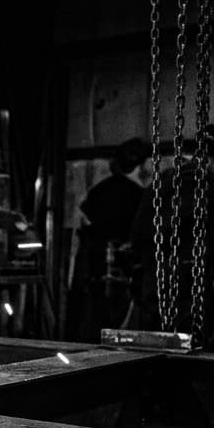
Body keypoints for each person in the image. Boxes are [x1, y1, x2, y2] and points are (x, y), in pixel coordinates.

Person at [127, 123, 214, 338]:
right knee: (187, 351)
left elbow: (137, 234)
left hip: (153, 286)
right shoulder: (210, 181)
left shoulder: (161, 181)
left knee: (153, 349)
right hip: (186, 289)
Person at [71, 137, 151, 339]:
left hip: (95, 275)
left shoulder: (99, 191)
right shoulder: (141, 197)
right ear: (140, 166)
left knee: (95, 328)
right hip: (125, 276)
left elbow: (85, 224)